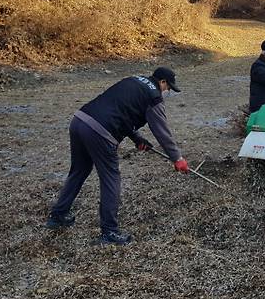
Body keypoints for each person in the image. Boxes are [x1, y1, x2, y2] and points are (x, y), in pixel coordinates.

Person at [46, 67, 189, 245]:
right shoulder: (154, 97)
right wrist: (177, 158)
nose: (167, 91)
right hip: (100, 132)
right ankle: (109, 232)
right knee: (111, 178)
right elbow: (162, 132)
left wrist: (136, 138)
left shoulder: (132, 80)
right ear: (162, 82)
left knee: (79, 170)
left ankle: (57, 215)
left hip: (80, 120)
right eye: (168, 88)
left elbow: (118, 109)